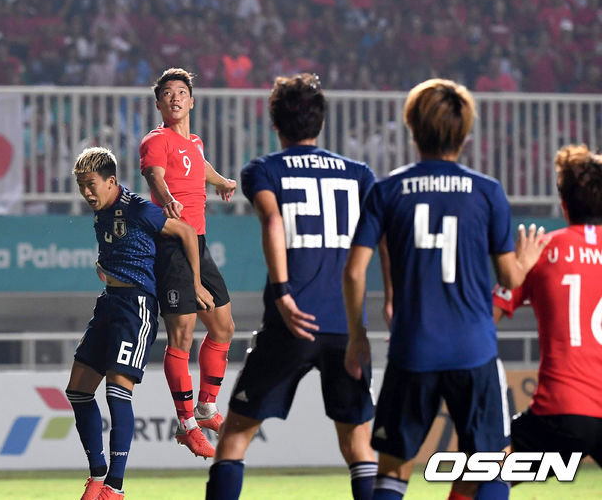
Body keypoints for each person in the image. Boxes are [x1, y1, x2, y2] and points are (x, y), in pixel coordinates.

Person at [342, 79, 549, 500]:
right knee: (491, 464)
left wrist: (357, 337)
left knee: (394, 471)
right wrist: (525, 262)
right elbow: (510, 279)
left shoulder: (387, 190)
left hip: (412, 349)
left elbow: (353, 272)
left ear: (412, 128)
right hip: (474, 351)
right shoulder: (488, 191)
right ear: (466, 133)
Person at [207, 73, 380, 499]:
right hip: (345, 327)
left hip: (291, 323)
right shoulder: (360, 174)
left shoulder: (264, 169)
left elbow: (272, 220)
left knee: (233, 438)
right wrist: (390, 301)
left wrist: (283, 292)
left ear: (276, 123)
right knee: (359, 446)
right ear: (320, 122)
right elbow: (384, 242)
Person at [68, 147, 207, 500]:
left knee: (117, 390)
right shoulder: (102, 212)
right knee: (78, 390)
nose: (86, 193)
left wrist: (195, 283)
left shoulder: (138, 209)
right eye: (82, 185)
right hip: (109, 304)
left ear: (111, 181)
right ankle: (98, 474)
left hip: (137, 307)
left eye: (91, 185)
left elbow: (187, 233)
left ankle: (115, 486)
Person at [139, 67, 238, 458]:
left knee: (224, 325)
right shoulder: (156, 139)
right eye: (168, 93)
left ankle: (207, 407)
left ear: (191, 101)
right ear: (160, 103)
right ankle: (186, 424)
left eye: (182, 92)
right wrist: (166, 199)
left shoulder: (194, 142)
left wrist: (222, 181)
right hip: (170, 242)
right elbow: (154, 174)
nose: (176, 98)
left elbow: (200, 166)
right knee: (182, 333)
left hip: (197, 240)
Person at [492, 144, 602, 477]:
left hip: (564, 411)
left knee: (483, 474)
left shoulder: (542, 250)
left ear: (564, 205)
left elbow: (484, 321)